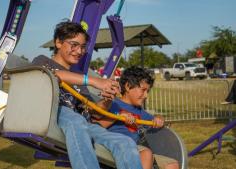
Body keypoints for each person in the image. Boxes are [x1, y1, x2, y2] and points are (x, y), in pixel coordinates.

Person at [32, 21, 143, 169]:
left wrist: (107, 99)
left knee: (126, 143)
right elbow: (52, 75)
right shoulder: (43, 61)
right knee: (76, 120)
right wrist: (93, 81)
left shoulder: (77, 75)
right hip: (55, 113)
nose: (79, 51)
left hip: (84, 123)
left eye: (83, 47)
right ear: (58, 42)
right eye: (74, 44)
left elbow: (93, 113)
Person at [93, 66, 179, 169]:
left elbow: (155, 118)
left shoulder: (139, 111)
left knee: (172, 165)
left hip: (136, 149)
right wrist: (118, 117)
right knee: (146, 154)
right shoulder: (113, 104)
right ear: (128, 86)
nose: (146, 95)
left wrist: (159, 118)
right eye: (143, 90)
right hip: (118, 148)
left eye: (148, 91)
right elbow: (97, 125)